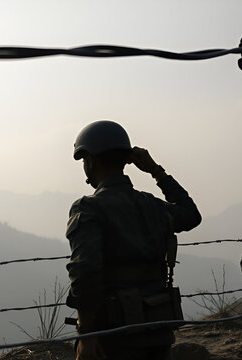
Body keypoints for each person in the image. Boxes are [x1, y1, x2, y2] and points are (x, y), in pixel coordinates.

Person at [66, 120, 202, 360]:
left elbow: (85, 273)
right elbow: (190, 214)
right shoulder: (152, 205)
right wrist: (156, 171)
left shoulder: (88, 209)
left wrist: (86, 334)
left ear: (90, 162)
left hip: (115, 337)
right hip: (158, 330)